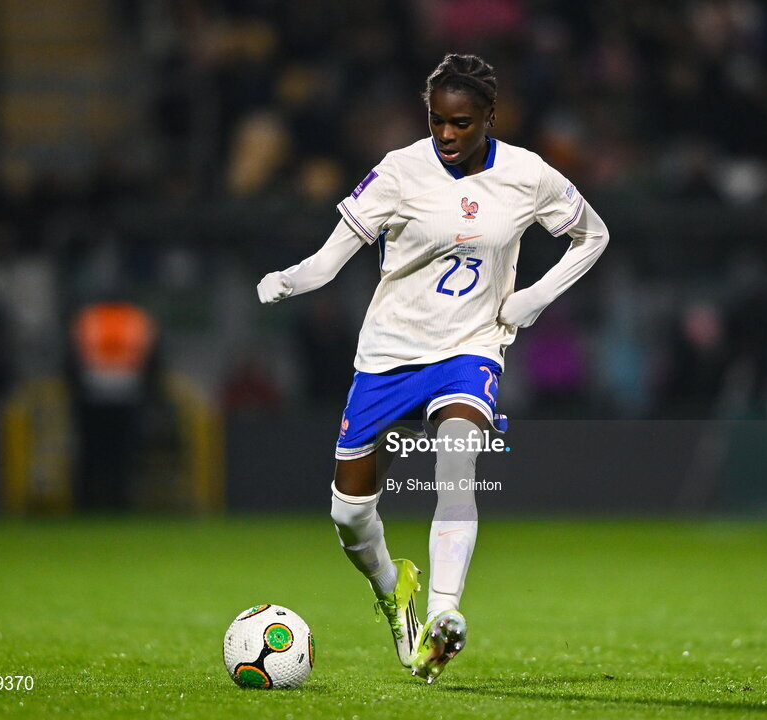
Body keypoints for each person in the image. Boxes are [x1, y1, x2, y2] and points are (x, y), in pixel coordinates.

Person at [257, 53, 609, 683]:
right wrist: (287, 280)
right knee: (348, 514)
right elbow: (331, 260)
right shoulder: (400, 171)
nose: (447, 135)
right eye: (437, 121)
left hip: (470, 349)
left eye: (462, 123)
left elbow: (594, 235)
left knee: (456, 460)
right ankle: (396, 594)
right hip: (389, 355)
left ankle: (444, 615)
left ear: (489, 119)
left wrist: (530, 300)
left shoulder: (528, 175)